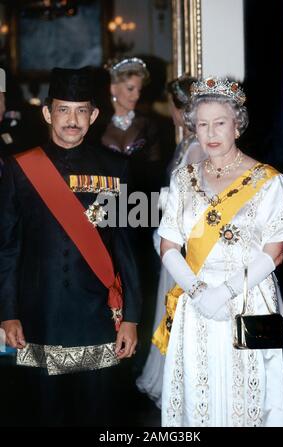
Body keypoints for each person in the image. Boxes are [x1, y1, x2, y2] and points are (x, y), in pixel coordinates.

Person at [153, 77, 283, 426]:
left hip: (249, 296)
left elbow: (274, 252)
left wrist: (226, 292)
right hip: (197, 299)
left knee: (252, 400)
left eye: (220, 122)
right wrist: (200, 292)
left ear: (238, 125)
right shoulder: (183, 178)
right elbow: (168, 244)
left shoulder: (269, 181)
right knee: (199, 397)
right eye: (202, 124)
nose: (210, 132)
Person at [0, 67, 141, 427]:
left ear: (94, 116)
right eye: (63, 109)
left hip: (97, 317)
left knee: (98, 414)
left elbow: (126, 249)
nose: (72, 120)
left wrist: (133, 318)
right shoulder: (19, 168)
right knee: (42, 414)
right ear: (47, 113)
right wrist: (7, 311)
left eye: (81, 111)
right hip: (37, 317)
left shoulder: (118, 169)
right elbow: (8, 247)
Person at [136, 75, 206, 407]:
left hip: (187, 241)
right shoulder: (187, 143)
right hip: (174, 232)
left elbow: (195, 202)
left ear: (181, 110)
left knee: (177, 307)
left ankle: (183, 385)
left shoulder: (195, 147)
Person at [88, 57, 162, 193]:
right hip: (106, 203)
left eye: (139, 90)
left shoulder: (147, 124)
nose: (136, 96)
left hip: (141, 204)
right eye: (130, 89)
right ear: (113, 88)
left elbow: (155, 172)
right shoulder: (97, 125)